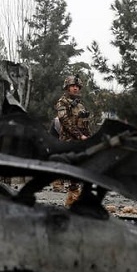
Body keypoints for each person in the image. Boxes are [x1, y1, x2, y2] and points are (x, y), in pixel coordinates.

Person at [55, 75, 92, 206]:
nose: (75, 88)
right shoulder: (62, 102)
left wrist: (88, 137)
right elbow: (65, 121)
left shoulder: (80, 105)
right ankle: (72, 199)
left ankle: (76, 198)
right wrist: (79, 135)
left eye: (77, 86)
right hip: (69, 140)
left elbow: (85, 123)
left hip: (81, 140)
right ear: (67, 87)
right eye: (72, 86)